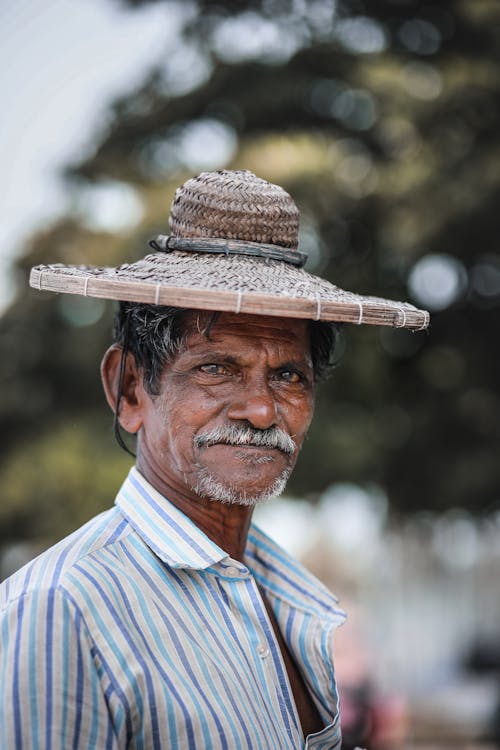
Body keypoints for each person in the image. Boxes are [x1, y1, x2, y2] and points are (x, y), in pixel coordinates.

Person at [0, 170, 429, 749]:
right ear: (130, 390)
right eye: (216, 368)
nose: (260, 409)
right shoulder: (63, 608)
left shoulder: (285, 594)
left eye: (288, 376)